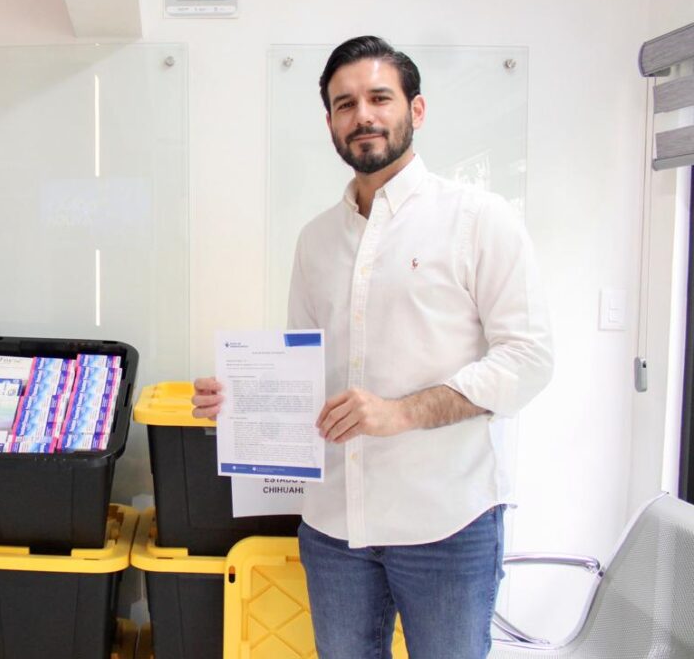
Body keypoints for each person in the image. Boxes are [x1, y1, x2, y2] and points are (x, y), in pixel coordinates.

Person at [192, 36, 553, 658]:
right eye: (345, 104)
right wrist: (241, 403)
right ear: (330, 122)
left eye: (380, 98)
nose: (362, 115)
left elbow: (529, 359)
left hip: (446, 524)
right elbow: (308, 375)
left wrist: (402, 412)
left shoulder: (479, 219)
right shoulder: (315, 240)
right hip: (334, 527)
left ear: (416, 110)